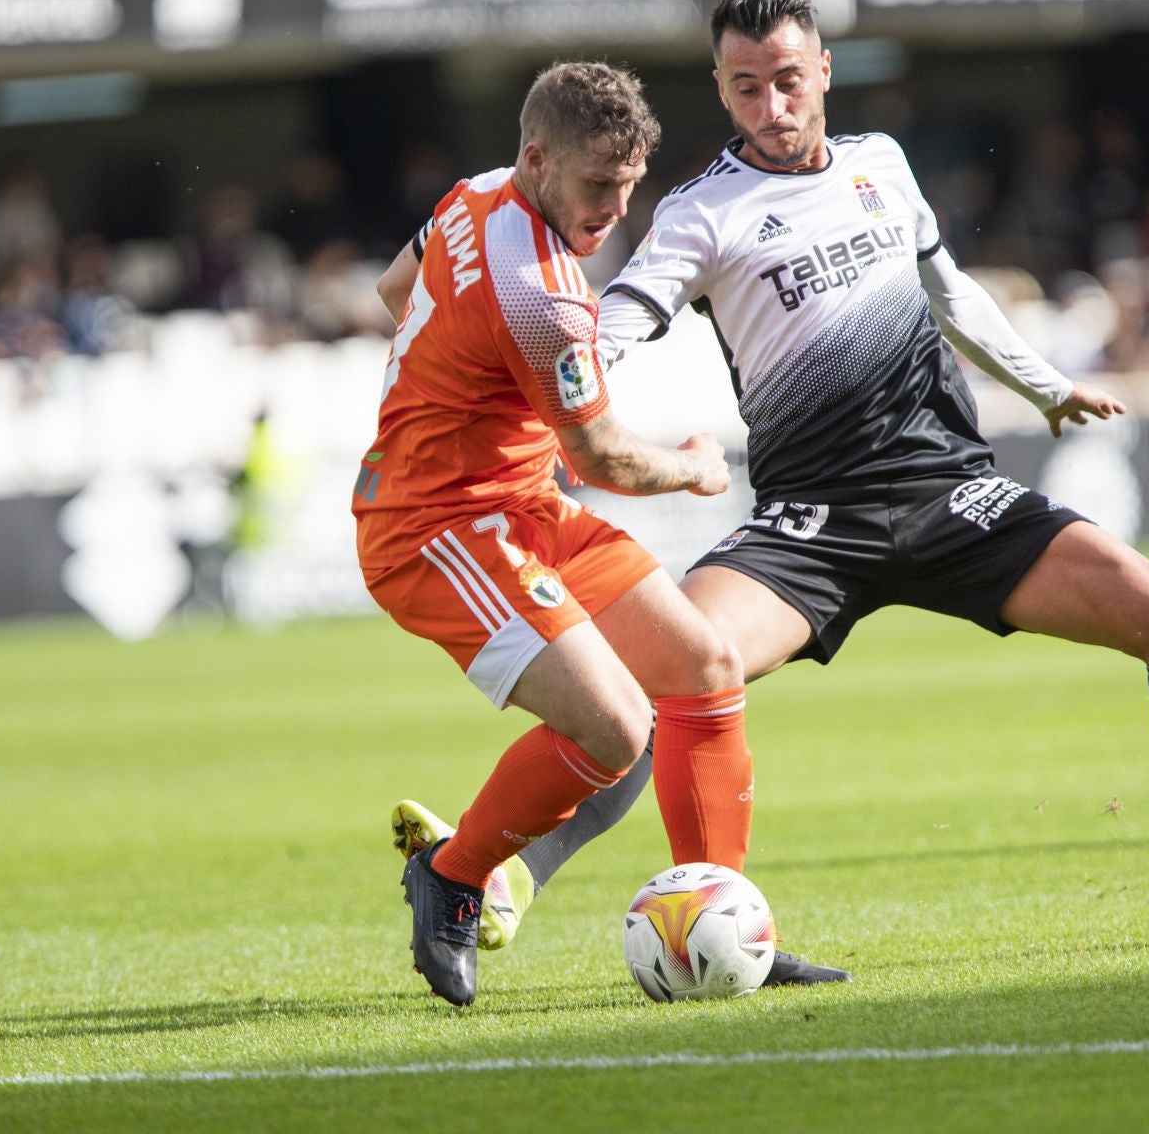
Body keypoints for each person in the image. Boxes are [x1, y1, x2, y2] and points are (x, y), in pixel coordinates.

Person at [406, 0, 1149, 956]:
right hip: (810, 525)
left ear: (823, 71)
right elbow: (614, 320)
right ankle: (515, 868)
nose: (769, 109)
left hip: (952, 495)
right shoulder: (702, 213)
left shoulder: (882, 167)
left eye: (785, 81)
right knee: (676, 673)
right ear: (724, 91)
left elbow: (949, 293)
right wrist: (556, 368)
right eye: (743, 90)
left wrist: (1044, 386)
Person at [356, 61, 842, 1007]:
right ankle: (454, 878)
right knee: (616, 729)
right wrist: (702, 466)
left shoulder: (476, 193)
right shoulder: (542, 293)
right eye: (595, 187)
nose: (613, 211)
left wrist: (454, 383)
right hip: (436, 525)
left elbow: (393, 288)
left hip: (517, 503)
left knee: (703, 663)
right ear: (539, 159)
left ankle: (719, 911)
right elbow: (608, 462)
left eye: (628, 188)